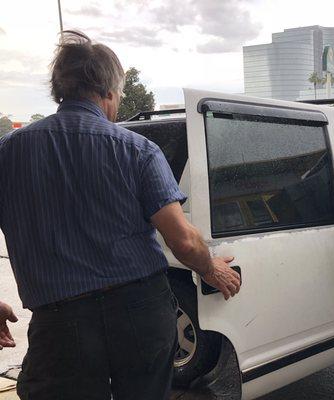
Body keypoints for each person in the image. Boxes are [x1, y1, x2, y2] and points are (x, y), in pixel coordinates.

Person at [0, 30, 240, 400]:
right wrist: (211, 268)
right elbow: (183, 240)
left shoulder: (7, 152)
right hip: (140, 314)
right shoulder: (136, 149)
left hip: (59, 324)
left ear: (59, 90)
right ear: (109, 93)